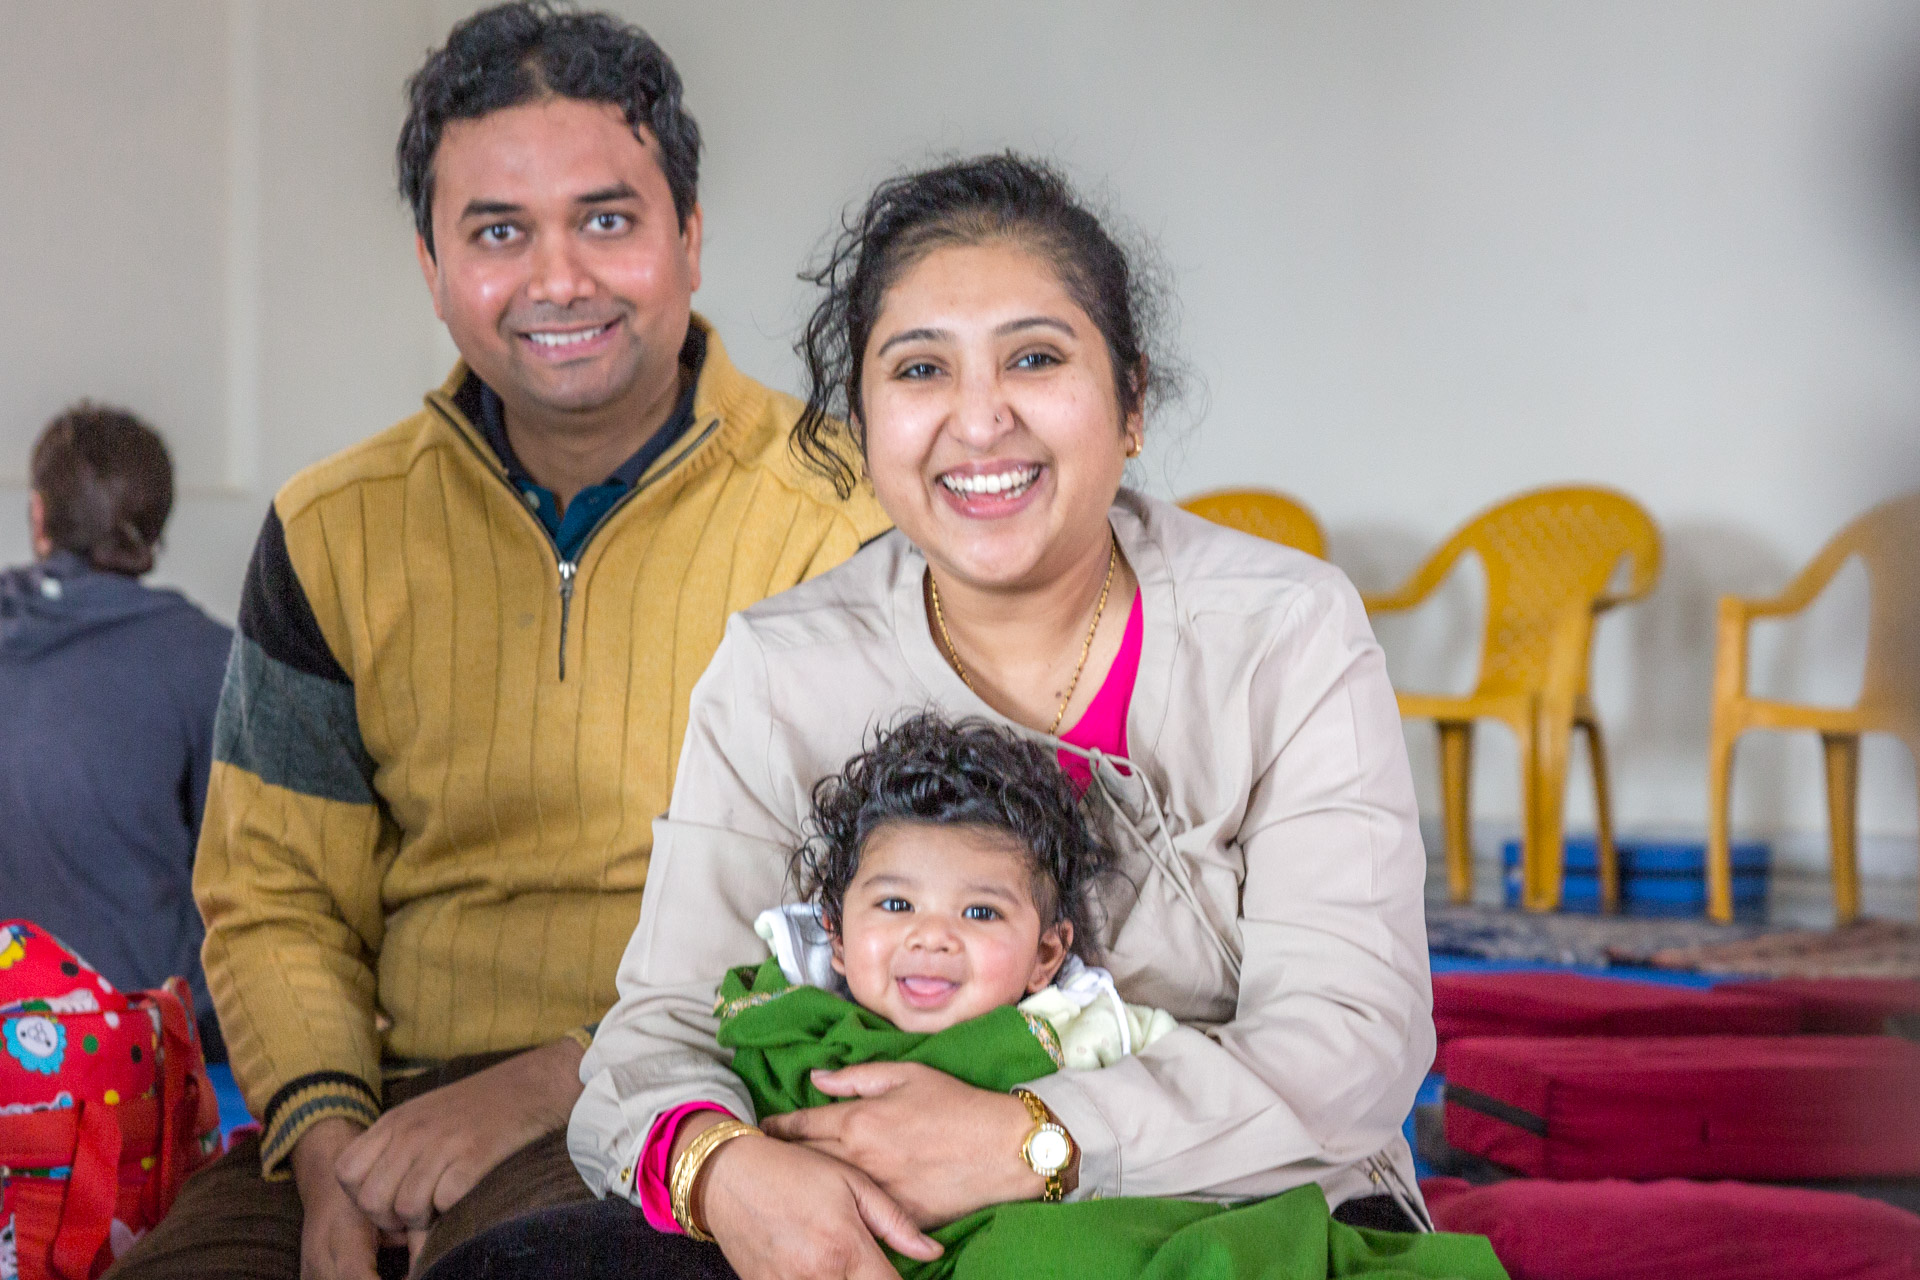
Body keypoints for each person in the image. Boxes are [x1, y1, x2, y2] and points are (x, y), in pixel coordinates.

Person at [447, 151, 1438, 1280]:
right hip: (879, 1221)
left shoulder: (1284, 630)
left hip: (1234, 1209)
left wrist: (1029, 1139)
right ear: (863, 422)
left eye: (1035, 357)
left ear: (1132, 403)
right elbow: (656, 1036)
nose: (979, 419)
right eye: (921, 368)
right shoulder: (783, 667)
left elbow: (1349, 1047)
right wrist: (726, 1172)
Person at [109, 5, 888, 1279]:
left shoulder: (847, 516)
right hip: (372, 1103)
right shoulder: (330, 529)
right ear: (431, 264)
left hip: (698, 1094)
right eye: (498, 232)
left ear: (690, 237)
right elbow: (274, 895)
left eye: (607, 219)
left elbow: (888, 903)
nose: (558, 278)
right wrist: (332, 1153)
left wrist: (551, 1080)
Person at [0, 402, 232, 1059]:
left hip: (10, 1039)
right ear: (155, 528)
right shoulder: (208, 660)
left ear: (40, 517)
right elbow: (245, 875)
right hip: (146, 1048)